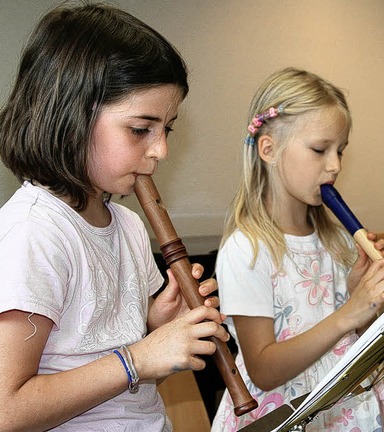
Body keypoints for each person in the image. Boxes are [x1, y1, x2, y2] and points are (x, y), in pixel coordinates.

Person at [0, 4, 229, 430]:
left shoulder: (127, 225)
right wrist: (140, 358)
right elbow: (7, 410)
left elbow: (94, 350)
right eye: (141, 129)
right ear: (71, 116)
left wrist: (157, 325)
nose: (160, 149)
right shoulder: (33, 231)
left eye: (168, 129)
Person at [210, 67, 384, 431]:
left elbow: (351, 341)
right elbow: (264, 370)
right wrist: (349, 312)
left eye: (340, 151)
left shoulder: (337, 242)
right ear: (268, 149)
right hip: (284, 414)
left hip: (346, 409)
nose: (334, 166)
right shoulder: (247, 250)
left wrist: (368, 305)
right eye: (319, 150)